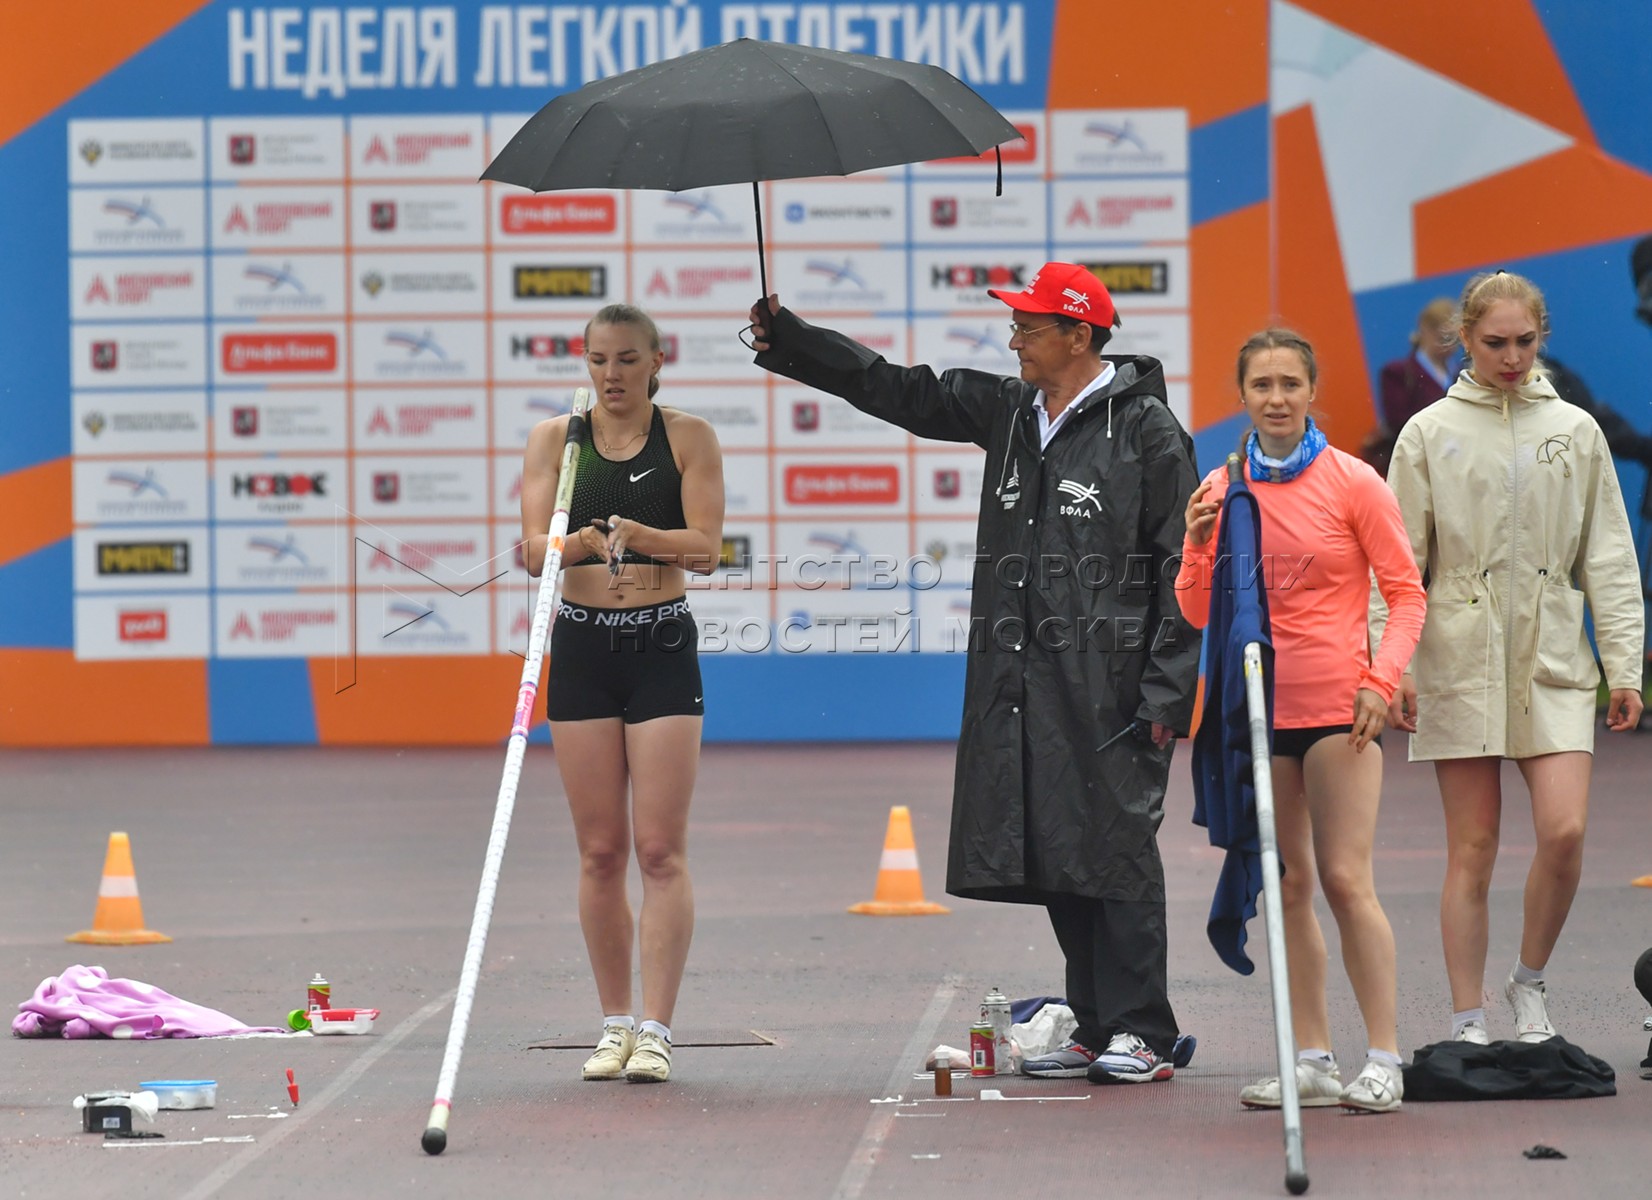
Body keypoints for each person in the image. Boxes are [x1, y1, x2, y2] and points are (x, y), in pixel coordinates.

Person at [746, 263, 1203, 1085]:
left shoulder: (1148, 431)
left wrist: (1168, 691)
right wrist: (794, 341)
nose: (1013, 338)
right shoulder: (1010, 409)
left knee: (1117, 848)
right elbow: (900, 389)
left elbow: (1186, 567)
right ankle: (1095, 1025)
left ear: (1079, 335)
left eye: (1029, 326)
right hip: (1021, 675)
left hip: (1114, 683)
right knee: (1059, 845)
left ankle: (1144, 1031)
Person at [1384, 270, 1644, 1047]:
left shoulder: (1577, 429)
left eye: (1525, 341)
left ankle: (1528, 983)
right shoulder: (1426, 432)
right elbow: (1395, 565)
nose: (1511, 356)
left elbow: (1610, 554)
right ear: (1464, 339)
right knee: (1473, 847)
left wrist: (1624, 665)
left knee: (1564, 832)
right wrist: (1390, 665)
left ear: (1542, 338)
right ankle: (1467, 1021)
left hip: (1554, 653)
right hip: (1457, 654)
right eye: (1494, 342)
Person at [1179, 330, 1427, 1113]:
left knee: (1346, 880)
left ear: (1313, 391)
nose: (1277, 398)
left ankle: (1384, 1058)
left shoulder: (1354, 482)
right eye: (1262, 385)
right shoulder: (1223, 488)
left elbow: (1407, 594)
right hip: (1257, 714)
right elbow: (1196, 611)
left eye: (1290, 383)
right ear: (1243, 396)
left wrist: (1381, 681)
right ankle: (1313, 1061)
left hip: (1339, 715)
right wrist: (1195, 545)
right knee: (1289, 886)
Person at [520, 302, 725, 1083]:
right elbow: (532, 552)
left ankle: (657, 1030)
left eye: (628, 360)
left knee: (659, 850)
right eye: (599, 360)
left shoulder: (689, 437)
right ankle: (613, 1026)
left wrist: (643, 538)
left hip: (660, 643)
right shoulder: (557, 441)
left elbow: (706, 550)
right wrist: (576, 542)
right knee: (600, 851)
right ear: (585, 362)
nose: (612, 375)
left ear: (656, 361)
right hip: (582, 645)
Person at [1360, 298, 1454, 477]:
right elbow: (1398, 422)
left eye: (1453, 340)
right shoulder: (1398, 373)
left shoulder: (1462, 373)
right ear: (1425, 331)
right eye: (1443, 338)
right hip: (1416, 465)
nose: (1447, 346)